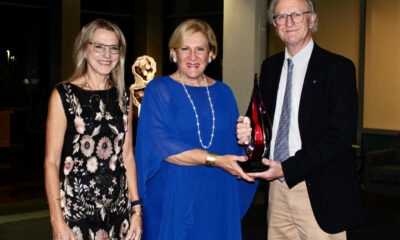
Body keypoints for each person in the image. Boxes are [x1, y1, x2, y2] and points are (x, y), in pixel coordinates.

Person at [236, 0, 365, 239]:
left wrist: (287, 168)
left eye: (297, 14)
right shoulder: (270, 68)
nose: (289, 22)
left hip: (320, 192)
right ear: (274, 25)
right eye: (281, 16)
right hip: (276, 192)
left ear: (312, 18)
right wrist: (247, 132)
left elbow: (339, 137)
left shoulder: (338, 68)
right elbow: (261, 124)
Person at [135, 19, 258, 240]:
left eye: (200, 49)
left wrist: (248, 139)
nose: (192, 57)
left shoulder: (224, 93)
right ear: (174, 53)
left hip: (216, 196)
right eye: (185, 49)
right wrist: (216, 160)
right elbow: (161, 144)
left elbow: (236, 149)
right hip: (173, 199)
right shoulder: (158, 89)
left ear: (211, 53)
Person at [44, 19, 142, 240]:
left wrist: (136, 210)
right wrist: (55, 218)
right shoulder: (63, 96)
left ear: (120, 53)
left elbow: (127, 157)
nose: (106, 55)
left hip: (119, 212)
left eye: (113, 48)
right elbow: (51, 161)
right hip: (76, 213)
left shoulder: (123, 97)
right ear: (85, 49)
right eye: (99, 46)